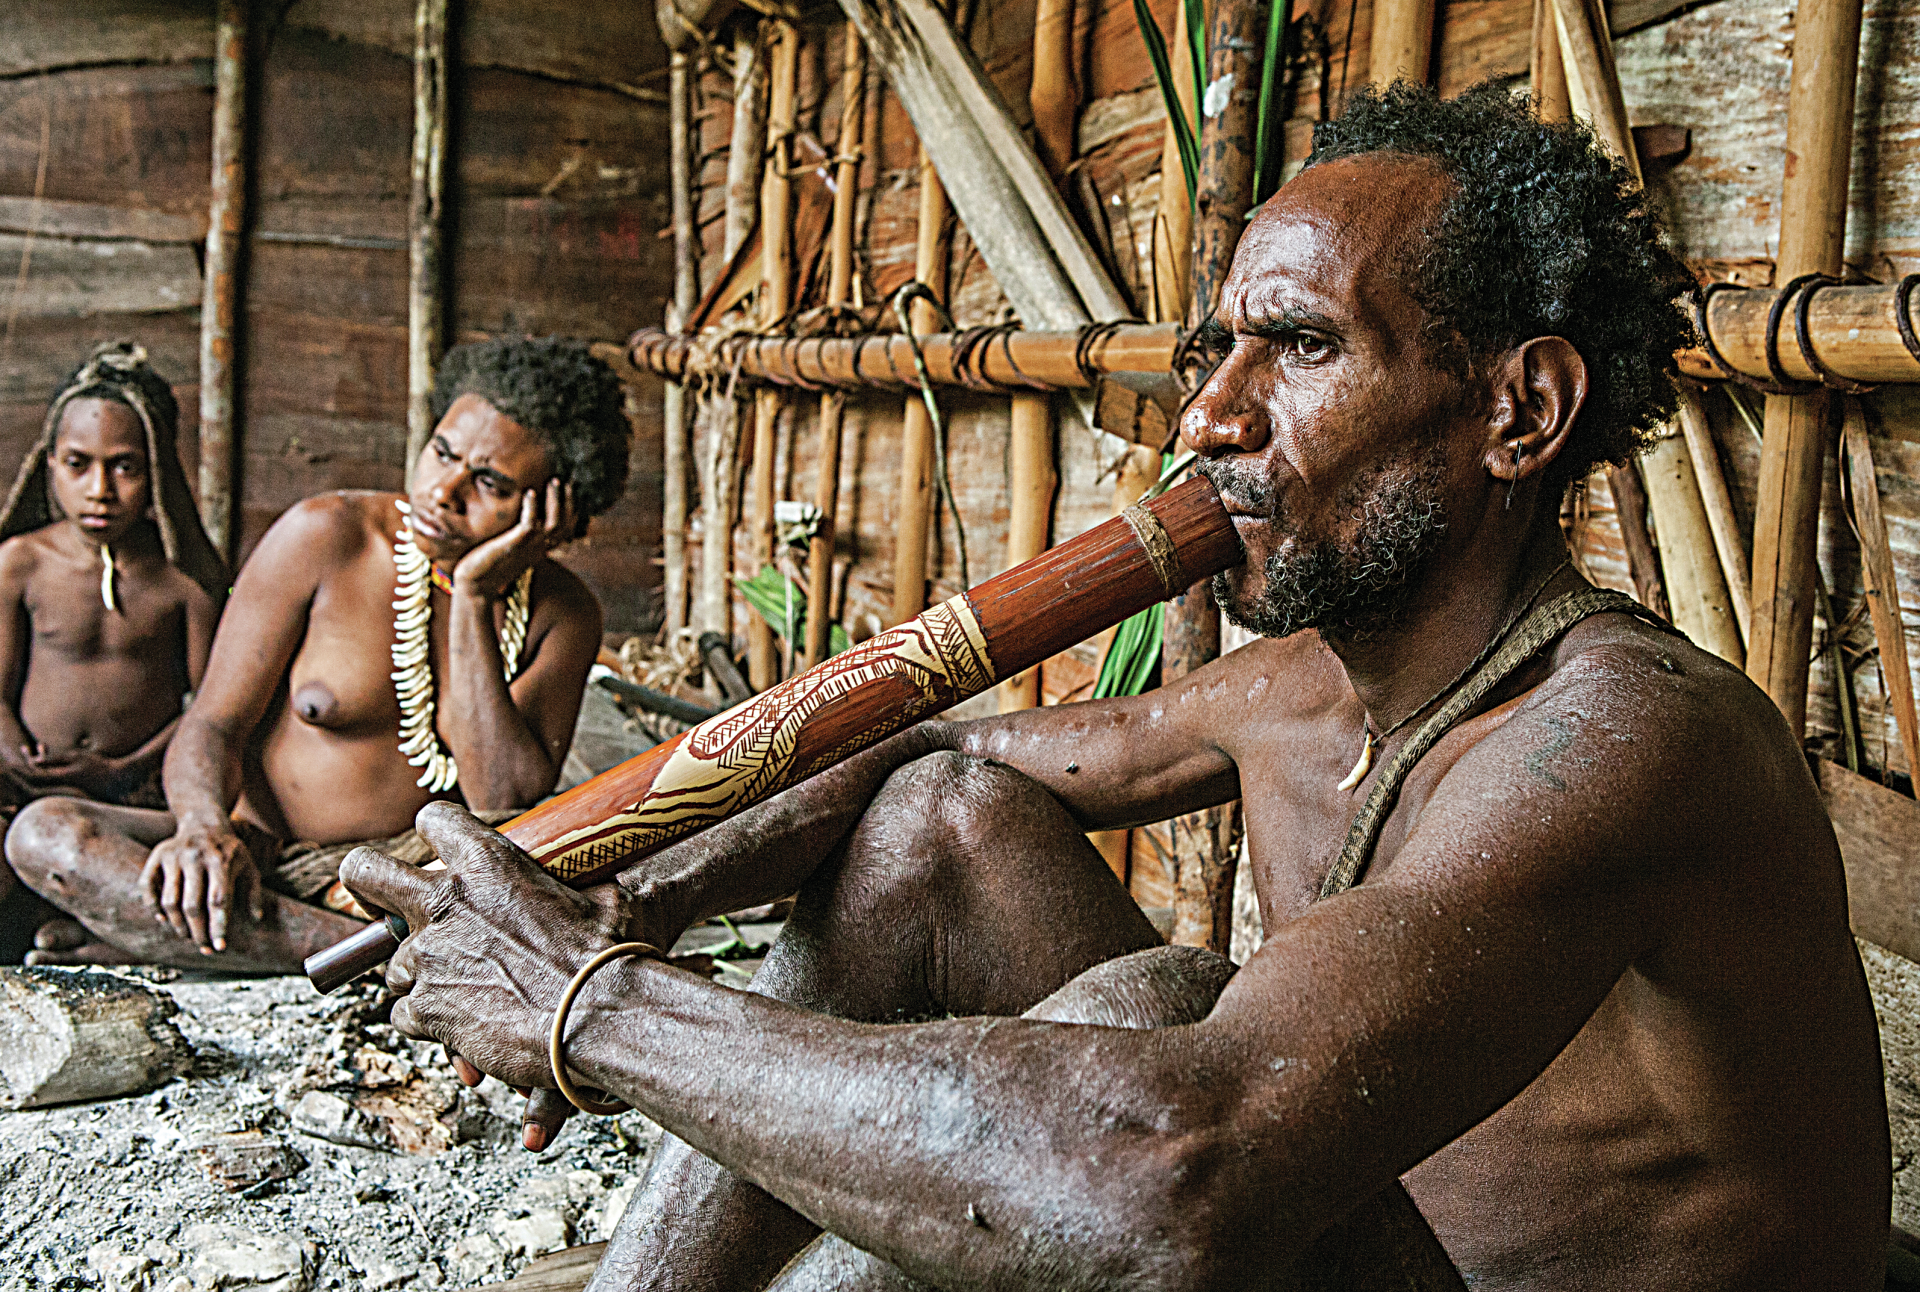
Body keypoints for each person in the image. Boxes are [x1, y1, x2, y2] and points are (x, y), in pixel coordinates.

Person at [342, 86, 1890, 1290]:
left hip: (1310, 1244)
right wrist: (657, 892)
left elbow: (1167, 1181)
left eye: (1294, 348)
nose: (1209, 413)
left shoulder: (1625, 739)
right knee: (939, 817)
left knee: (1159, 1028)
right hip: (1349, 1254)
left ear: (1517, 410)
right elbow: (930, 745)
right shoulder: (1292, 689)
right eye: (1219, 351)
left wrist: (589, 1007)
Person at [6, 336, 629, 972]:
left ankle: (232, 946)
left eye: (490, 482)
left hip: (426, 887)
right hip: (258, 861)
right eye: (442, 453)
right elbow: (212, 722)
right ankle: (377, 961)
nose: (444, 491)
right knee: (43, 834)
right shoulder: (327, 535)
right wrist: (200, 828)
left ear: (558, 507)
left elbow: (502, 796)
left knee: (570, 895)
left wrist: (471, 594)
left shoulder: (564, 613)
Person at [0, 343, 226, 961]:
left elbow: (213, 708)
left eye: (124, 468)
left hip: (137, 794)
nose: (100, 489)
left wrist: (121, 770)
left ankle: (101, 938)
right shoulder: (21, 563)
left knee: (173, 860)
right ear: (50, 465)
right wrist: (17, 758)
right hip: (25, 784)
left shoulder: (185, 581)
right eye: (78, 464)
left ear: (156, 472)